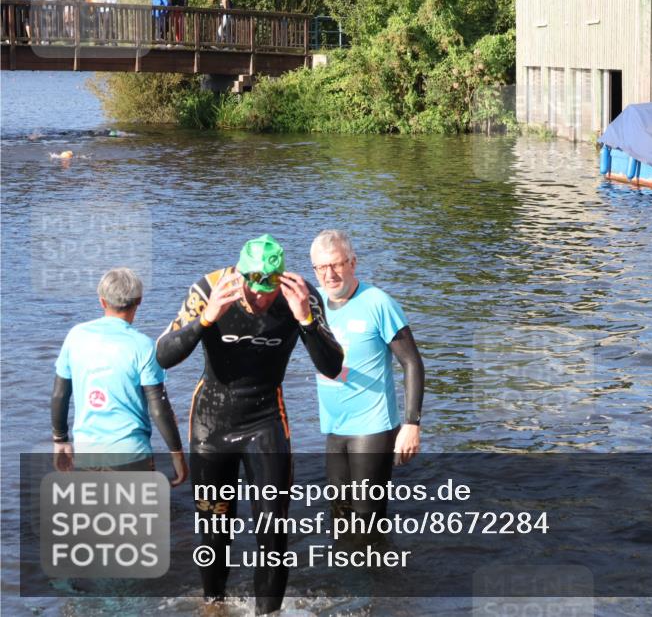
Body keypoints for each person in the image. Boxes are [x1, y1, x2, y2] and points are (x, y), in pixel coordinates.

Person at [156, 234, 343, 614]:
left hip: (265, 419)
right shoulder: (210, 287)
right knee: (214, 529)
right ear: (240, 275)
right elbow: (163, 354)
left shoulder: (300, 293)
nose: (260, 299)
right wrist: (206, 319)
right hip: (212, 421)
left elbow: (333, 365)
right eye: (252, 288)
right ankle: (214, 606)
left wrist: (305, 319)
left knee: (273, 530)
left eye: (267, 289)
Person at [310, 230, 424, 521]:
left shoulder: (378, 303)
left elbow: (412, 363)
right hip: (334, 426)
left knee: (367, 518)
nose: (330, 274)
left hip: (372, 426)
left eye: (336, 264)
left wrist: (411, 424)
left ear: (353, 263)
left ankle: (380, 566)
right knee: (338, 515)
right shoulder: (313, 304)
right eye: (322, 267)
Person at [51, 268, 188, 483]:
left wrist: (60, 440)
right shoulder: (145, 346)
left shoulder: (76, 336)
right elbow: (159, 407)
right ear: (139, 301)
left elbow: (60, 394)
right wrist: (177, 454)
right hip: (132, 455)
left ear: (102, 301)